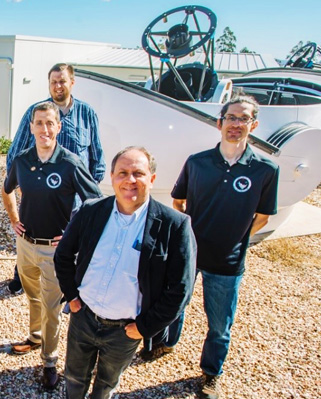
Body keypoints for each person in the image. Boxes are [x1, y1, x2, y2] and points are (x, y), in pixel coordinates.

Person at [54, 146, 196, 399]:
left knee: (107, 383)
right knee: (74, 378)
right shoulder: (91, 210)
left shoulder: (174, 225)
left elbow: (181, 290)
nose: (129, 180)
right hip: (83, 317)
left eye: (138, 173)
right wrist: (72, 295)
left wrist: (145, 327)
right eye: (122, 173)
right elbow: (63, 255)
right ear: (112, 178)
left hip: (125, 330)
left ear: (151, 179)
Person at [164, 95, 279, 399]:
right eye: (231, 118)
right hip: (190, 253)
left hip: (228, 262)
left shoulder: (265, 170)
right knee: (176, 305)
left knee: (219, 323)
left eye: (244, 119)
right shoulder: (197, 162)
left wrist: (237, 238)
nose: (236, 124)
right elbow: (178, 201)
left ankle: (211, 373)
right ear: (220, 123)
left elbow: (263, 217)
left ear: (253, 124)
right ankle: (166, 343)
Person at [1, 101, 102, 390]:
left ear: (58, 127)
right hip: (26, 245)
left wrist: (73, 233)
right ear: (31, 127)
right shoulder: (21, 160)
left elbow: (95, 202)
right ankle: (34, 337)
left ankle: (49, 361)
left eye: (50, 123)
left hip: (55, 252)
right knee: (33, 297)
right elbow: (7, 190)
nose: (44, 128)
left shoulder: (70, 163)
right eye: (39, 123)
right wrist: (13, 219)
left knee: (52, 307)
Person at [5, 63, 105, 296]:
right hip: (41, 193)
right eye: (53, 82)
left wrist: (88, 190)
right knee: (30, 237)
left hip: (74, 200)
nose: (58, 86)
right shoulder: (36, 112)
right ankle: (22, 277)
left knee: (68, 248)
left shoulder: (87, 113)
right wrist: (21, 184)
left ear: (72, 82)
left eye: (62, 81)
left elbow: (97, 157)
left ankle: (69, 289)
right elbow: (15, 153)